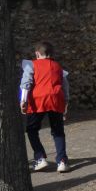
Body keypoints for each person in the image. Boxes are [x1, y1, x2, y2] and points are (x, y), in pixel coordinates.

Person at [20, 41, 70, 173]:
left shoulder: (31, 65)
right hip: (56, 99)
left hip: (38, 100)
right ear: (51, 53)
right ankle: (62, 161)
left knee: (31, 130)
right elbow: (65, 87)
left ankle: (40, 158)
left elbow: (26, 83)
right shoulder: (58, 66)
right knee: (58, 131)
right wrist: (66, 102)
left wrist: (23, 100)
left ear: (37, 53)